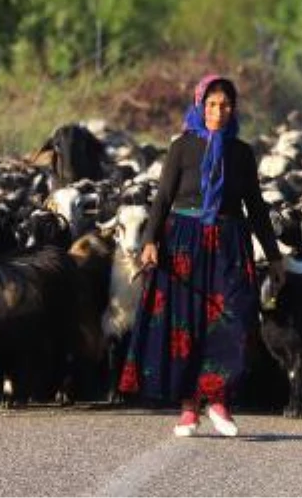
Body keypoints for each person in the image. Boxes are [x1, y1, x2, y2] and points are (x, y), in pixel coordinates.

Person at [119, 74, 286, 438]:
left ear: (233, 109)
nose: (218, 111)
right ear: (200, 105)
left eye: (225, 105)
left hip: (228, 241)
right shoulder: (182, 146)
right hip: (184, 240)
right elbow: (163, 198)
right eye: (211, 104)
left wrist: (274, 255)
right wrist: (150, 241)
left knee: (236, 318)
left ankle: (220, 401)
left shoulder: (241, 152)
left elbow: (255, 207)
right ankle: (189, 408)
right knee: (186, 323)